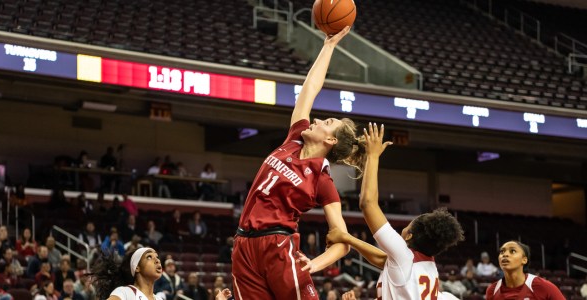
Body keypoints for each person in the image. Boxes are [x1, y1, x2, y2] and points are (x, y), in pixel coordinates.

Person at [232, 26, 360, 300]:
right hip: (243, 244)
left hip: (278, 244)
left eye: (326, 123)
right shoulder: (294, 138)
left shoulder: (322, 180)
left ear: (331, 142)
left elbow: (342, 241)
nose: (315, 120)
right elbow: (310, 88)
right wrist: (329, 45)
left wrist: (315, 264)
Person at [320, 123, 465, 299]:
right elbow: (384, 260)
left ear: (409, 236)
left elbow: (368, 203)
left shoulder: (404, 257)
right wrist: (346, 238)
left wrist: (372, 157)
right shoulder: (424, 265)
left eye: (408, 225)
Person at [485, 240, 564, 299]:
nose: (505, 254)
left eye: (512, 251)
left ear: (524, 260)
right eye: (502, 251)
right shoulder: (492, 290)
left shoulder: (543, 286)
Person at [90, 247, 163, 300]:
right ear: (137, 267)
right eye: (149, 257)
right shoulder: (126, 292)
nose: (157, 260)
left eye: (157, 257)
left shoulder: (159, 298)